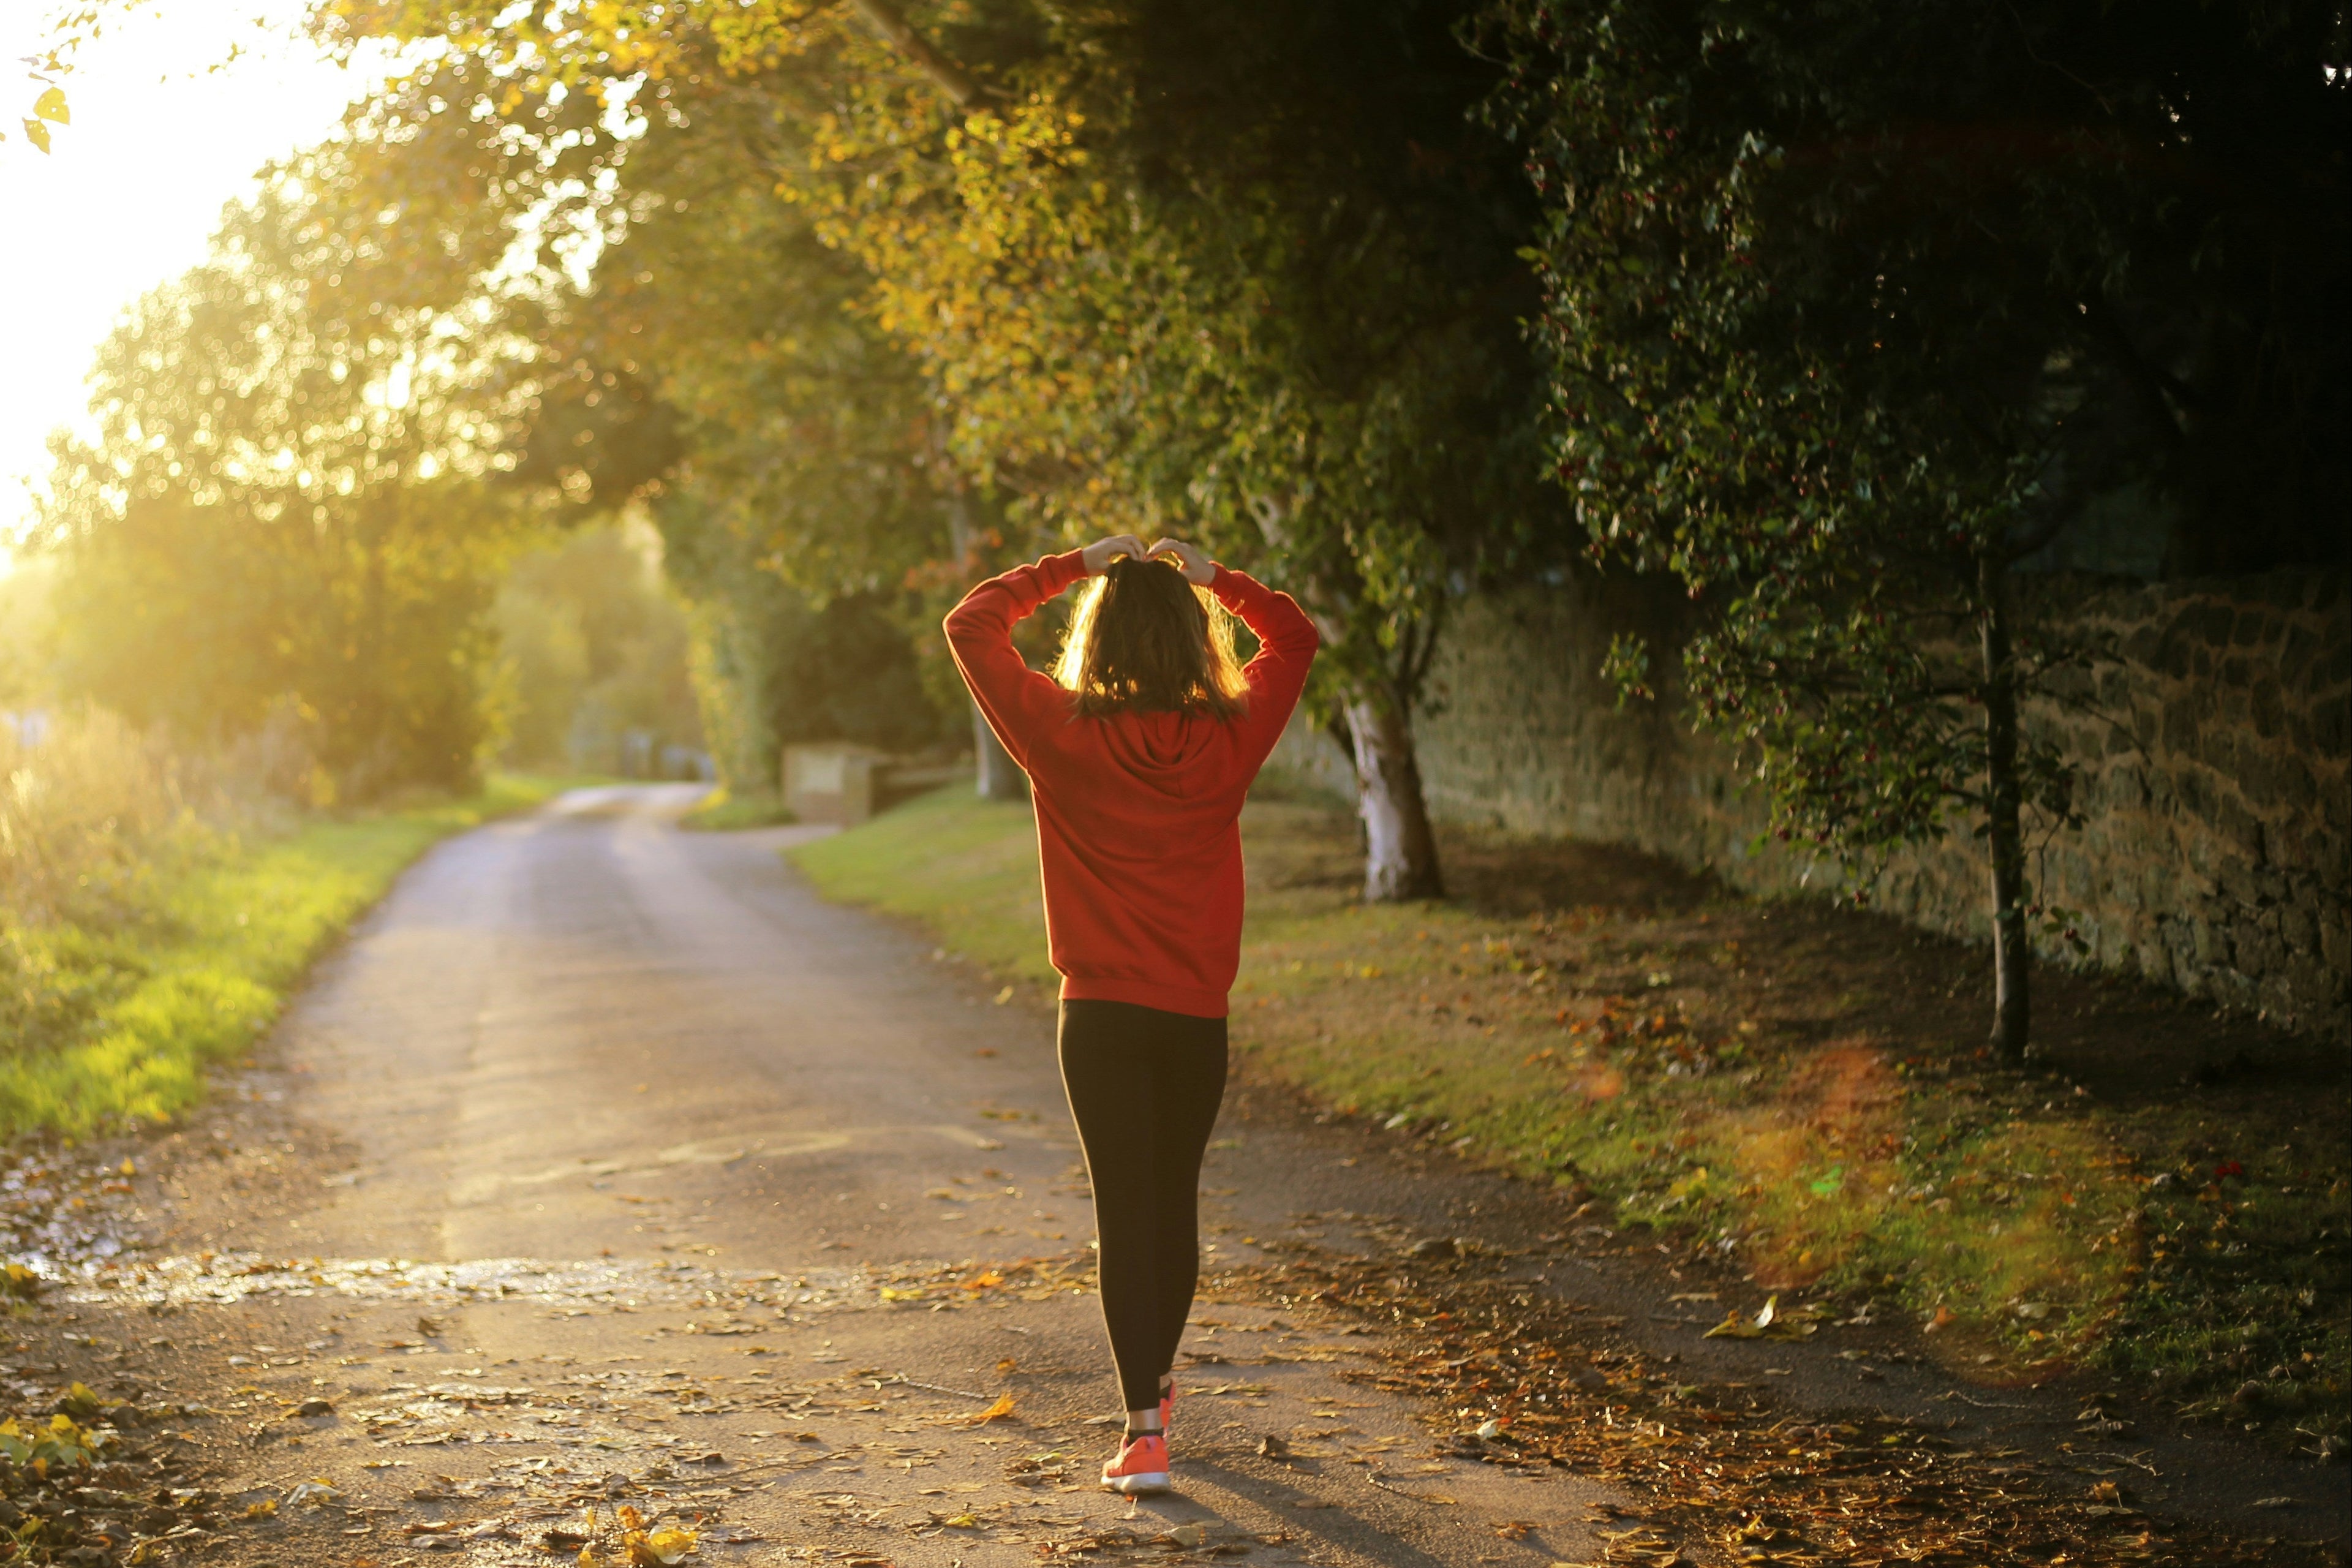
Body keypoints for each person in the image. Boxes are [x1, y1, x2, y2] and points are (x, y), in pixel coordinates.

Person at [944, 534, 1318, 1496]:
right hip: (1195, 1016)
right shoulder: (1232, 733)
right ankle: (1152, 1395)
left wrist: (1072, 565)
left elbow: (971, 624)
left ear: (1097, 638)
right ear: (1195, 642)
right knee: (1172, 1204)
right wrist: (1217, 580)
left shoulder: (1058, 730)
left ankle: (1144, 1431)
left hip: (1100, 1016)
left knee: (1125, 1212)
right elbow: (1297, 636)